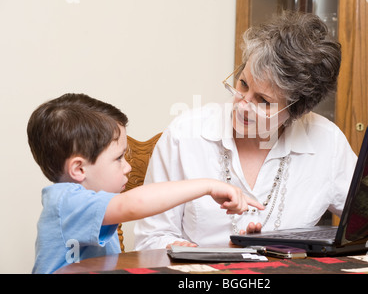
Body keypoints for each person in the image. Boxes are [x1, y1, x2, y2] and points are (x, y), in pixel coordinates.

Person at [134, 11, 368, 250]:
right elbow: (150, 240)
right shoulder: (185, 135)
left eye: (264, 102)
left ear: (299, 110)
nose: (242, 105)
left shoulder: (326, 142)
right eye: (242, 84)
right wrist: (195, 256)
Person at [28, 93, 263, 274]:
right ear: (79, 169)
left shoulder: (94, 205)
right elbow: (134, 203)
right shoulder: (66, 202)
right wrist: (207, 186)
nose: (127, 167)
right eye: (119, 158)